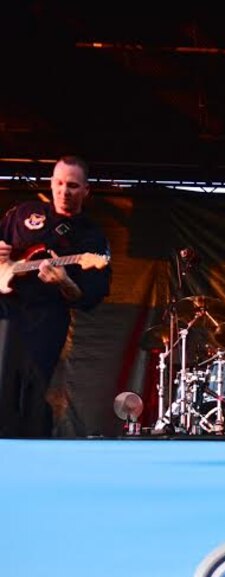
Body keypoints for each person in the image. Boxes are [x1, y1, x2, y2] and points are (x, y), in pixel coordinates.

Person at [0, 155, 111, 436]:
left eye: (73, 186)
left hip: (45, 322)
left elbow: (91, 297)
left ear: (86, 190)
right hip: (5, 312)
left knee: (31, 392)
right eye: (59, 183)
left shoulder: (91, 237)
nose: (64, 191)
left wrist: (64, 283)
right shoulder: (23, 213)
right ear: (51, 183)